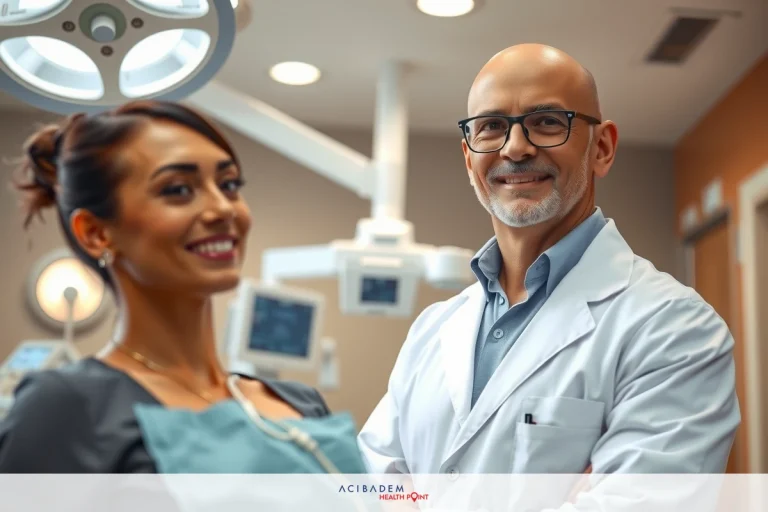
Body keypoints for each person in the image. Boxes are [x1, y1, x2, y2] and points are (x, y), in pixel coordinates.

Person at [357, 44, 740, 476]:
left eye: (547, 122)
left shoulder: (674, 327)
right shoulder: (432, 329)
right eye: (491, 127)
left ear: (602, 148)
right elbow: (370, 484)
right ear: (469, 158)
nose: (515, 148)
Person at [0, 101, 365, 475]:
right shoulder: (67, 408)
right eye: (177, 190)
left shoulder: (303, 405)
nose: (223, 209)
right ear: (96, 233)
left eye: (229, 185)